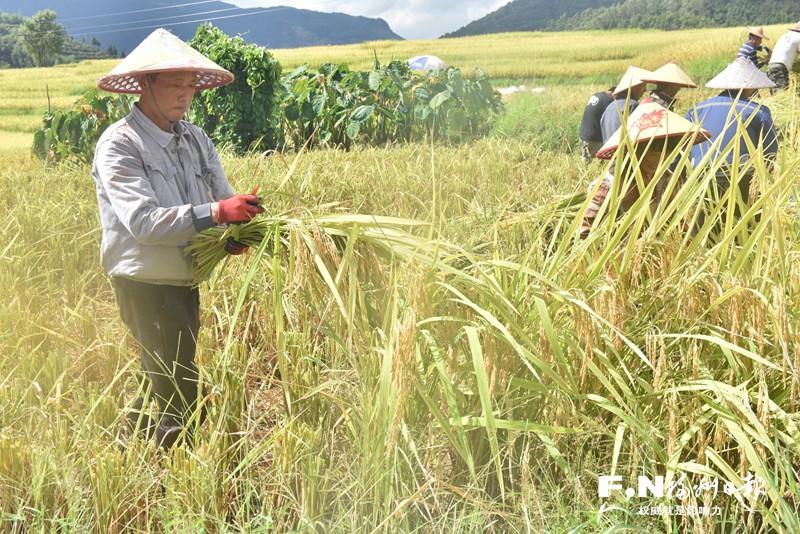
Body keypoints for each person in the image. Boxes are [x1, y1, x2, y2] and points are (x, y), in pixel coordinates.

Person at [92, 29, 265, 450]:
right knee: (178, 381)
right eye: (174, 84)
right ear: (145, 83)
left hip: (185, 278)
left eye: (190, 86)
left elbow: (223, 199)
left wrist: (233, 233)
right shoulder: (120, 145)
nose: (185, 95)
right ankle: (176, 477)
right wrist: (217, 214)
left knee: (161, 371)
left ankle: (127, 449)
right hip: (143, 281)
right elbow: (144, 223)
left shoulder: (195, 139)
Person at [581, 102, 710, 238]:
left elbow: (670, 219)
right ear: (634, 151)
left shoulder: (665, 179)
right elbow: (585, 235)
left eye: (668, 151)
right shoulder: (608, 187)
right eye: (654, 151)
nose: (661, 159)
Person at [684, 58, 778, 234]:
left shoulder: (696, 109)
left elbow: (682, 145)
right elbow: (769, 152)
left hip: (702, 176)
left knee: (705, 227)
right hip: (740, 176)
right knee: (744, 227)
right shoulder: (758, 111)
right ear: (750, 87)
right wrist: (763, 181)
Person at [600, 66, 651, 143]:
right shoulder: (633, 105)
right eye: (643, 86)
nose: (645, 90)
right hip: (625, 152)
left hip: (610, 153)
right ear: (634, 87)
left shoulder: (610, 107)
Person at [578, 86, 615, 162]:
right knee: (603, 163)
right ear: (613, 93)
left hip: (583, 135)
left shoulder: (596, 95)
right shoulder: (609, 100)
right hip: (595, 137)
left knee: (586, 163)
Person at [767, 21, 800, 89]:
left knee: (775, 92)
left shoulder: (785, 35)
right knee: (782, 91)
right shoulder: (798, 37)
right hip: (780, 67)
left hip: (771, 65)